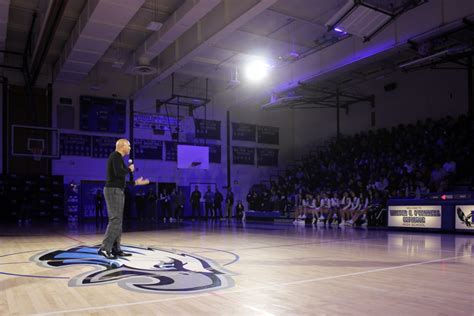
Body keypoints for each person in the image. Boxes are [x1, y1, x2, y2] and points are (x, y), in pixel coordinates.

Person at [99, 139, 149, 259]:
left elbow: (120, 179)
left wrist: (136, 183)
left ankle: (115, 248)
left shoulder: (118, 158)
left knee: (118, 221)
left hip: (117, 190)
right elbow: (118, 173)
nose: (130, 148)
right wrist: (129, 169)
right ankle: (105, 248)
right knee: (115, 220)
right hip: (113, 190)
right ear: (122, 146)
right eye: (129, 146)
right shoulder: (115, 156)